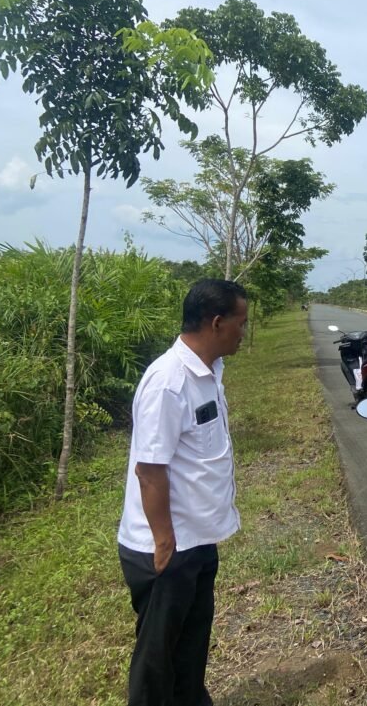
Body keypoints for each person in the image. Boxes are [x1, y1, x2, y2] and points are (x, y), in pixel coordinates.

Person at [117, 279, 248, 706]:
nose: (243, 331)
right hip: (168, 548)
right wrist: (163, 542)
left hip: (198, 540)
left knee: (189, 650)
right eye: (240, 322)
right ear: (216, 323)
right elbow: (149, 469)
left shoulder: (209, 372)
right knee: (157, 661)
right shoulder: (168, 382)